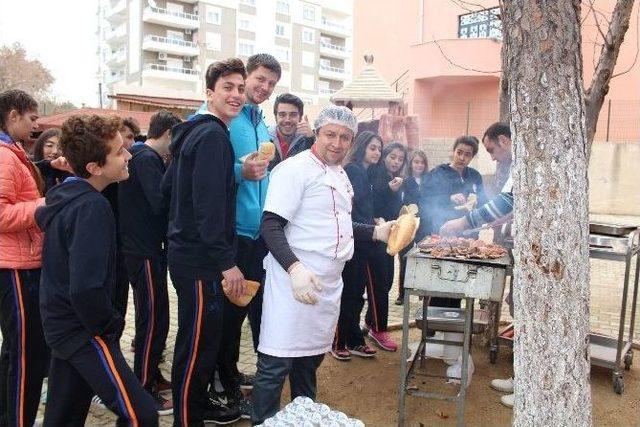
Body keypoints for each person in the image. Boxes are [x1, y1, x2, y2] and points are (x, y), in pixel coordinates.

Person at [251, 106, 394, 425]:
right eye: (330, 134)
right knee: (276, 362)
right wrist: (294, 268)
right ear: (317, 133)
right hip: (294, 282)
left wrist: (375, 232)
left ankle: (304, 417)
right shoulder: (293, 170)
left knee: (310, 359)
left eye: (345, 137)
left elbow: (336, 223)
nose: (337, 142)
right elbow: (271, 225)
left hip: (328, 284)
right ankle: (263, 420)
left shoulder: (340, 174)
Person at [35, 114, 158, 426]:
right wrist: (110, 325)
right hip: (83, 331)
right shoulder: (91, 207)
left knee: (63, 417)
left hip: (62, 326)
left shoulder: (71, 197)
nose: (129, 154)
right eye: (118, 152)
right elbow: (86, 288)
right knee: (141, 415)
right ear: (94, 168)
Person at [162, 58, 247, 426]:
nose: (236, 95)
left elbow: (169, 191)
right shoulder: (211, 136)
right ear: (209, 93)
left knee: (201, 339)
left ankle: (198, 407)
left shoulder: (193, 133)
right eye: (227, 87)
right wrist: (226, 262)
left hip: (189, 254)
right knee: (196, 345)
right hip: (200, 260)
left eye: (240, 88)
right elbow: (209, 207)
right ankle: (187, 417)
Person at [209, 53, 281, 419]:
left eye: (270, 83)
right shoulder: (224, 119)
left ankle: (231, 372)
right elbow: (213, 168)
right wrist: (242, 172)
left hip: (257, 232)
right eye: (259, 79)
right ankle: (221, 383)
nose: (263, 87)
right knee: (227, 313)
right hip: (233, 230)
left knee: (244, 307)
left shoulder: (258, 121)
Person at [439, 122, 515, 408]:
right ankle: (522, 376)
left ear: (504, 140)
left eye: (492, 149)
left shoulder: (527, 160)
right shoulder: (515, 164)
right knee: (520, 306)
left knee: (531, 312)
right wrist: (498, 219)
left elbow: (507, 200)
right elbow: (510, 205)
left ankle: (530, 385)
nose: (492, 157)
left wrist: (464, 221)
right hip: (523, 246)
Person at [118, 110, 182, 415]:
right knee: (151, 317)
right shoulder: (145, 158)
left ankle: (152, 376)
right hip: (142, 250)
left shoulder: (146, 158)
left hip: (149, 249)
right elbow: (160, 202)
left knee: (158, 315)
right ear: (169, 134)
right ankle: (142, 386)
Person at [0, 89, 48, 427]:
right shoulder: (4, 156)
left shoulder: (14, 152)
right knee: (24, 355)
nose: (35, 127)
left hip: (22, 262)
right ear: (13, 115)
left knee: (19, 352)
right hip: (15, 267)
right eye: (31, 119)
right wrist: (44, 207)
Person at [331, 131, 384, 361]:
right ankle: (337, 341)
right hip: (352, 239)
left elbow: (363, 207)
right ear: (362, 147)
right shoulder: (352, 170)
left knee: (357, 294)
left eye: (379, 149)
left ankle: (354, 340)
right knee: (349, 293)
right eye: (373, 147)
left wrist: (374, 222)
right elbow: (348, 209)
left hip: (365, 240)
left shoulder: (366, 172)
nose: (377, 152)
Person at [367, 142, 408, 351]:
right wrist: (390, 191)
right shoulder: (376, 174)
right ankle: (378, 328)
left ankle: (370, 321)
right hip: (375, 237)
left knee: (385, 282)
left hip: (390, 237)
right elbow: (373, 204)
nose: (396, 162)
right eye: (392, 157)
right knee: (380, 285)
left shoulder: (397, 179)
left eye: (400, 159)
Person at [396, 149, 429, 305]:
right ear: (410, 163)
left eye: (422, 162)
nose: (419, 165)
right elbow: (400, 202)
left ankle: (425, 292)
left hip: (425, 224)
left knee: (425, 258)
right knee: (405, 258)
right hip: (408, 224)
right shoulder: (405, 181)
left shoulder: (429, 181)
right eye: (416, 162)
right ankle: (402, 294)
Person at [267, 93, 315, 167]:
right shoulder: (263, 137)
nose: (287, 120)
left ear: (300, 118)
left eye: (293, 115)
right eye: (282, 115)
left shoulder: (308, 139)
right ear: (276, 117)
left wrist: (312, 139)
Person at [32, 129, 73, 194]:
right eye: (49, 146)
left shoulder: (67, 173)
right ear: (40, 146)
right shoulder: (28, 166)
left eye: (60, 148)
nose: (55, 151)